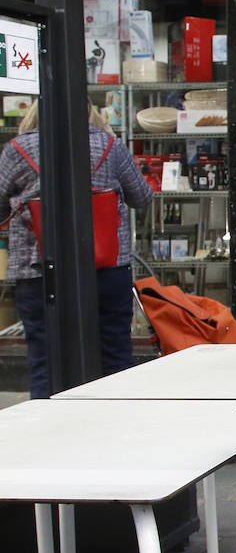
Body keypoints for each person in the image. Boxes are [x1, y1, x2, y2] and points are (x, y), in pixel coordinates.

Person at [0, 100, 153, 398]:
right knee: (116, 357)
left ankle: (51, 434)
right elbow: (142, 197)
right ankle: (121, 428)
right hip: (107, 268)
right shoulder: (110, 145)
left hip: (38, 271)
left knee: (44, 362)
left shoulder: (16, 150)